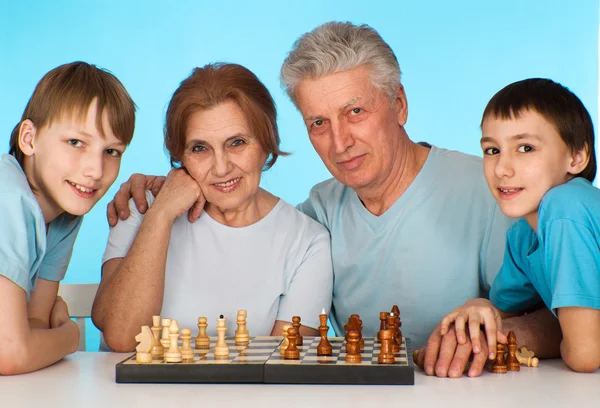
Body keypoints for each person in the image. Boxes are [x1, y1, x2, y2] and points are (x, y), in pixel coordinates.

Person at [105, 22, 561, 377]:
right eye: (318, 123)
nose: (339, 141)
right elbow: (248, 222)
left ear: (399, 104)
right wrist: (164, 190)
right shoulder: (319, 214)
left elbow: (575, 320)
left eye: (355, 112)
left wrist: (501, 329)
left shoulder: (492, 190)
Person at [91, 63, 333, 352]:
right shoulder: (142, 206)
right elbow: (121, 336)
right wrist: (161, 215)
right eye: (199, 148)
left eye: (237, 143)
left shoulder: (308, 242)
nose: (221, 168)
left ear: (267, 143)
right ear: (179, 154)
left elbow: (275, 371)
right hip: (129, 398)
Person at [438, 78, 600, 373]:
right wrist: (478, 307)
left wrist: (560, 335)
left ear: (577, 157)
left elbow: (585, 355)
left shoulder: (567, 207)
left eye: (525, 148)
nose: (502, 168)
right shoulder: (523, 236)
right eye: (492, 150)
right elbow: (504, 309)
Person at [0, 61, 136, 375]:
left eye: (112, 151)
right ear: (29, 139)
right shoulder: (9, 199)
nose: (96, 171)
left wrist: (39, 336)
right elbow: (12, 353)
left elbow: (36, 321)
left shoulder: (65, 214)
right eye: (76, 142)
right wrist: (71, 336)